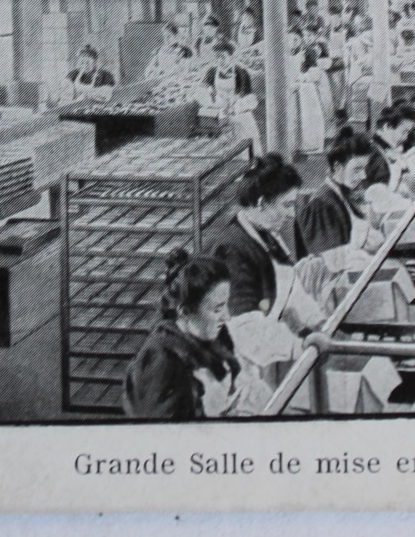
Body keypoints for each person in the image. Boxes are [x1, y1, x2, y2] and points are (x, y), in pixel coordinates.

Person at [205, 155, 335, 411]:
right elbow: (246, 331)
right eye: (286, 205)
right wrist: (299, 346)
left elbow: (292, 291)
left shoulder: (266, 236)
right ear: (262, 203)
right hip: (229, 368)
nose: (292, 214)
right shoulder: (232, 249)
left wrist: (319, 323)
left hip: (262, 356)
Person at [122, 250, 242, 420]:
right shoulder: (160, 362)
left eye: (226, 305)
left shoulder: (216, 336)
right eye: (217, 309)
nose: (227, 316)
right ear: (185, 311)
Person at [296, 130, 383, 270]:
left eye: (364, 169)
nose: (364, 176)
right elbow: (331, 264)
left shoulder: (343, 192)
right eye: (357, 169)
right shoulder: (321, 204)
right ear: (337, 167)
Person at [196, 41, 262, 155]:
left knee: (245, 139)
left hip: (238, 111)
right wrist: (210, 99)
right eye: (217, 57)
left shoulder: (240, 72)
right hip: (220, 110)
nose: (219, 61)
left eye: (222, 57)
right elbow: (202, 89)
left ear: (231, 56)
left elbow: (247, 95)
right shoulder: (211, 72)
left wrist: (235, 106)